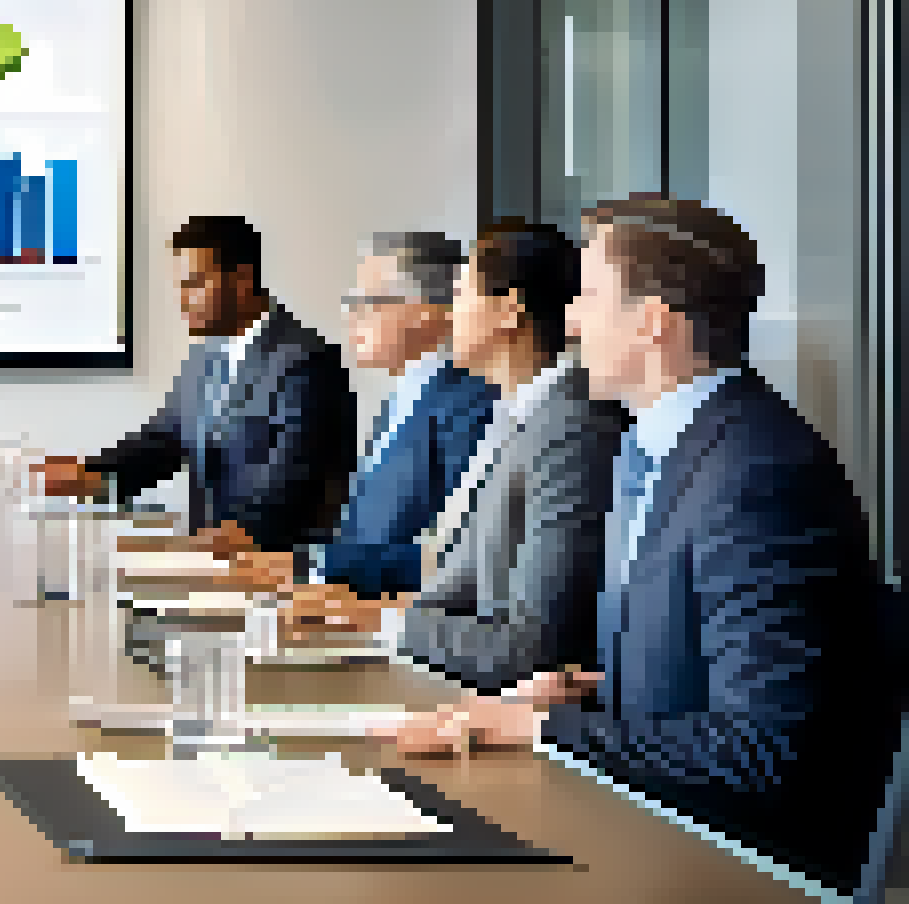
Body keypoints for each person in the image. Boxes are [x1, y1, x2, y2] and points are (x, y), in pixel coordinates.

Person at [375, 196, 888, 893]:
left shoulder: (759, 474)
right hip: (650, 829)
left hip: (727, 866)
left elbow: (764, 750)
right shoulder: (655, 449)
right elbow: (694, 679)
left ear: (651, 324)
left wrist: (550, 730)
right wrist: (587, 694)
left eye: (587, 296)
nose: (574, 319)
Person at [372, 221, 626, 691]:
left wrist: (390, 625)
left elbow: (529, 648)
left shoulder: (572, 428)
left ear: (509, 309)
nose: (450, 314)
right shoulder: (515, 414)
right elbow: (458, 582)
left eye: (463, 294)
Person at [35, 216, 354, 563]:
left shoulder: (305, 361)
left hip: (275, 574)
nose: (183, 301)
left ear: (243, 280)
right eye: (180, 287)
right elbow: (166, 440)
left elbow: (293, 485)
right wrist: (90, 476)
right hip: (214, 566)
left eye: (195, 284)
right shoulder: (209, 352)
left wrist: (196, 550)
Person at [295, 233, 495, 601]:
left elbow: (454, 551)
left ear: (425, 310)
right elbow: (368, 528)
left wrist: (317, 564)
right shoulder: (402, 393)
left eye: (367, 302)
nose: (352, 316)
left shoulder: (473, 403)